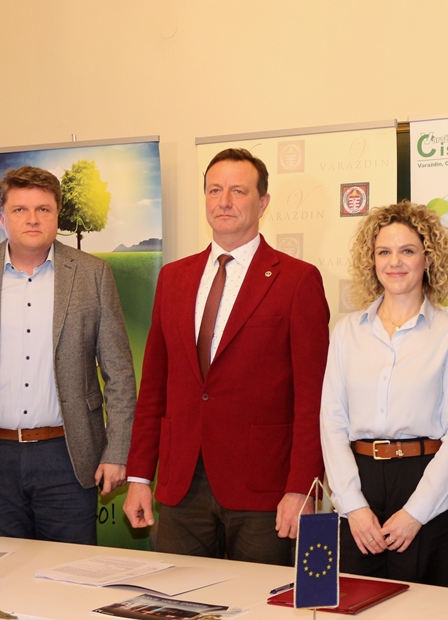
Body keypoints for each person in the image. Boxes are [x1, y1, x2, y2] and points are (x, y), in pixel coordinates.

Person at [123, 148, 330, 566]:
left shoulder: (297, 280)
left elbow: (314, 398)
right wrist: (140, 476)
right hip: (182, 484)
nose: (224, 201)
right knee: (177, 596)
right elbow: (155, 387)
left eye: (238, 190)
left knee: (259, 599)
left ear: (263, 202)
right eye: (215, 190)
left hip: (264, 488)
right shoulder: (173, 278)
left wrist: (302, 488)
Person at [0, 165, 137, 544]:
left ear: (57, 215)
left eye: (43, 209)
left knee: (70, 571)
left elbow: (119, 374)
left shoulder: (92, 275)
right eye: (20, 209)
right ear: (1, 217)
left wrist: (117, 452)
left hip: (68, 459)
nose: (32, 219)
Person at [320, 201, 448, 588]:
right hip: (359, 485)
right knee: (355, 605)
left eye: (407, 250)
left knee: (424, 609)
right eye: (384, 252)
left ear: (429, 258)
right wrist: (353, 506)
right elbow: (332, 423)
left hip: (426, 485)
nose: (395, 262)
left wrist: (416, 513)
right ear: (371, 260)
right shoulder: (347, 332)